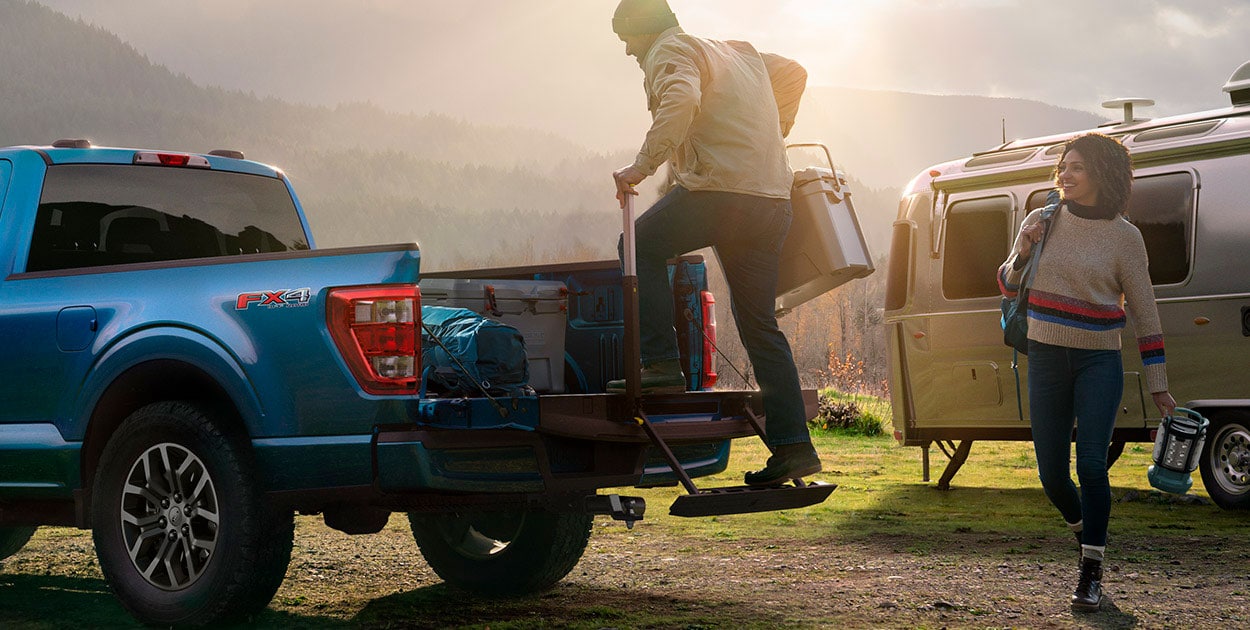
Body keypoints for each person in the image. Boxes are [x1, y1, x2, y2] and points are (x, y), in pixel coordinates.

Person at [606, 0, 819, 485]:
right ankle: (794, 447)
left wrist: (639, 167)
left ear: (644, 31)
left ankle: (660, 363)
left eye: (626, 40)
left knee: (638, 243)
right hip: (770, 202)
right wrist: (774, 131)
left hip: (722, 196)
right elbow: (793, 72)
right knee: (762, 328)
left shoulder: (668, 50)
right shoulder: (738, 53)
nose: (627, 52)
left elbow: (679, 100)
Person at [997, 132, 1176, 611]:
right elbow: (1008, 284)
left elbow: (1145, 312)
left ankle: (1091, 569)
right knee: (1052, 475)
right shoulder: (1043, 220)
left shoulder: (1125, 238)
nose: (1065, 175)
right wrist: (1021, 245)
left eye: (1076, 167)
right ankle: (1086, 537)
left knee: (1091, 465)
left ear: (1101, 173)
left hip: (1099, 361)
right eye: (1063, 167)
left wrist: (1158, 384)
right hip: (1047, 359)